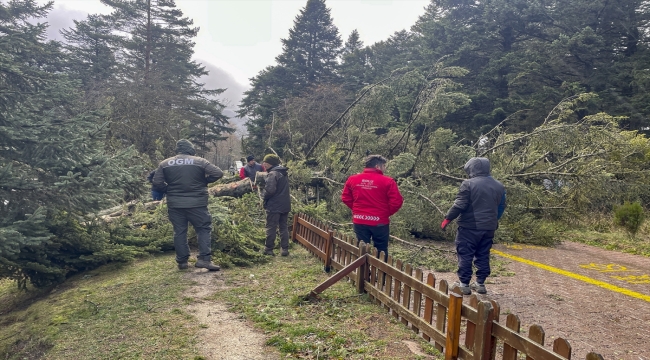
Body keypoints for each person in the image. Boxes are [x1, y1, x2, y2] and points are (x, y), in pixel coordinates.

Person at [153, 139, 224, 271]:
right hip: (197, 203)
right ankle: (204, 259)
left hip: (175, 204)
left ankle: (182, 262)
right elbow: (218, 173)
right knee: (203, 228)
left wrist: (168, 190)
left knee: (179, 231)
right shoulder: (200, 161)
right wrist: (204, 181)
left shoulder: (165, 163)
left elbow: (157, 182)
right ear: (190, 149)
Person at [441, 157, 506, 295]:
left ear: (472, 169)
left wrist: (447, 218)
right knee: (483, 254)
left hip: (469, 227)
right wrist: (492, 220)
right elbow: (501, 206)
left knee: (465, 252)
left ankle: (464, 284)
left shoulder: (468, 184)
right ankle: (480, 283)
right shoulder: (499, 186)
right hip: (489, 227)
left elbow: (460, 205)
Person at [341, 155, 403, 260]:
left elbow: (345, 197)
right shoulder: (388, 181)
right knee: (381, 250)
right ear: (378, 166)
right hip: (379, 222)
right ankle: (381, 275)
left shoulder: (353, 179)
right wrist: (385, 213)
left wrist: (357, 210)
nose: (385, 168)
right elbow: (397, 201)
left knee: (361, 249)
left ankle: (362, 274)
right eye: (384, 166)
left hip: (359, 220)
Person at [261, 154, 291, 256]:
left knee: (271, 227)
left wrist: (263, 197)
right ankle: (284, 249)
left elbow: (270, 190)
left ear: (270, 163)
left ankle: (268, 249)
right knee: (283, 227)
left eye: (265, 162)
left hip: (274, 205)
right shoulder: (283, 173)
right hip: (285, 204)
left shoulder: (273, 174)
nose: (264, 164)